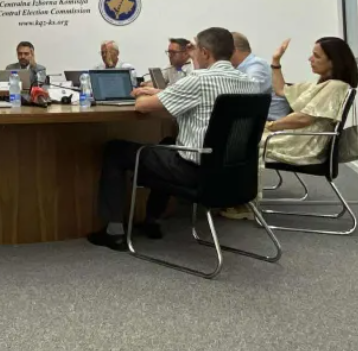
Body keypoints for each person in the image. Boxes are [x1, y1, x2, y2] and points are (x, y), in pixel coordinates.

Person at [86, 27, 261, 251]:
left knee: (115, 150)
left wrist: (142, 95)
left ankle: (114, 232)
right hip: (235, 176)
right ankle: (152, 220)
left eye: (193, 49)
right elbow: (194, 98)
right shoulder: (250, 83)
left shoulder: (198, 80)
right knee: (167, 143)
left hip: (194, 172)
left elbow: (142, 107)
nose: (191, 54)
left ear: (205, 53)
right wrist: (160, 93)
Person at [221, 36, 358, 221]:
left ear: (333, 61)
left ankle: (245, 204)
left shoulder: (335, 86)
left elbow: (303, 119)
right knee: (240, 137)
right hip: (299, 137)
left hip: (303, 144)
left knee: (243, 143)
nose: (310, 59)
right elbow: (281, 90)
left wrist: (269, 125)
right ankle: (234, 195)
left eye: (316, 56)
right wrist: (276, 61)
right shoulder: (322, 84)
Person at [230, 32, 291, 121]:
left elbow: (249, 96)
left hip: (270, 121)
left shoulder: (257, 65)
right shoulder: (239, 67)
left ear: (233, 50)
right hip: (253, 118)